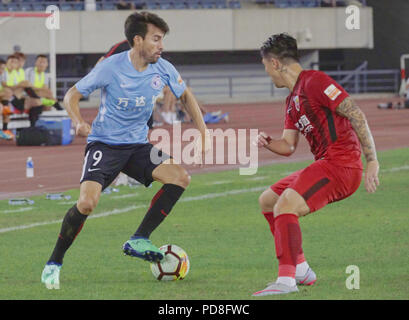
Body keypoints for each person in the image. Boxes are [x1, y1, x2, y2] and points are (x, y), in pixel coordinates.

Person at [41, 11, 210, 290]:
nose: (161, 45)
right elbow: (71, 95)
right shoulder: (110, 67)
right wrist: (78, 121)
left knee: (180, 176)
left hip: (138, 147)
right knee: (86, 204)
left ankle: (139, 238)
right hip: (105, 145)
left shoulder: (163, 67)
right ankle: (54, 263)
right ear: (137, 40)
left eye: (162, 39)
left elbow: (186, 95)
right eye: (156, 39)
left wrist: (203, 132)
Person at [252, 33, 379, 296]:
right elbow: (288, 146)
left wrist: (373, 161)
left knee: (286, 204)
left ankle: (286, 281)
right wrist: (268, 142)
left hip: (342, 165)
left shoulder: (316, 81)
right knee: (268, 200)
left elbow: (355, 113)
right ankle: (301, 269)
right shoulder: (291, 101)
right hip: (325, 164)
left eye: (265, 65)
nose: (266, 73)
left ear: (275, 63)